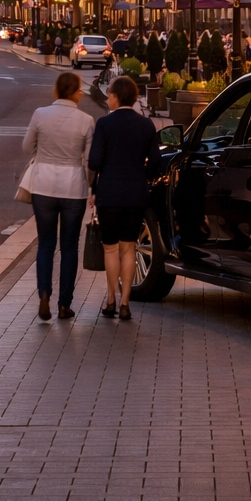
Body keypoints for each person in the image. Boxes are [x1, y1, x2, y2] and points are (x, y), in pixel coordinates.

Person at [21, 71, 95, 321]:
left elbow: (26, 147)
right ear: (76, 92)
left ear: (56, 90)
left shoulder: (40, 114)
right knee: (70, 246)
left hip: (43, 185)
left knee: (45, 243)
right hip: (73, 187)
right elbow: (89, 160)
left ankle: (44, 293)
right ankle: (65, 303)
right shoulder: (86, 120)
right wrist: (91, 187)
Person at [87, 75, 162, 320]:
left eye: (109, 94)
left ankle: (110, 299)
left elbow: (95, 161)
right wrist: (143, 176)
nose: (108, 98)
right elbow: (156, 162)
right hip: (135, 194)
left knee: (110, 249)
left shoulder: (105, 125)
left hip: (108, 194)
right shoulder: (146, 125)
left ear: (117, 97)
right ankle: (126, 303)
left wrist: (94, 186)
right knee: (129, 247)